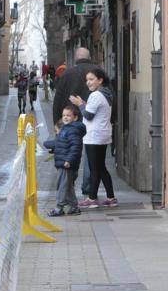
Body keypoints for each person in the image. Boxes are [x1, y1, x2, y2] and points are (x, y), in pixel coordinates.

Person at [53, 48, 100, 196]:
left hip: (71, 120)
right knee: (89, 155)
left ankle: (69, 183)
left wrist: (57, 122)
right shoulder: (97, 73)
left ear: (75, 58)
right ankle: (87, 187)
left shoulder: (67, 73)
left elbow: (58, 99)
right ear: (90, 57)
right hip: (92, 120)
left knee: (70, 152)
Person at [70, 67, 117, 209]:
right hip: (103, 134)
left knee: (94, 168)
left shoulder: (96, 95)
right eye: (87, 80)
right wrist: (84, 104)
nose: (88, 82)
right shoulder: (106, 93)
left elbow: (88, 115)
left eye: (91, 79)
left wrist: (80, 105)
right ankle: (111, 197)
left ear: (100, 80)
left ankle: (92, 198)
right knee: (101, 167)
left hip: (94, 136)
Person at [43, 104, 85, 217]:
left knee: (62, 185)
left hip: (67, 164)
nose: (65, 117)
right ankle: (73, 207)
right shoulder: (66, 129)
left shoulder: (73, 130)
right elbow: (61, 144)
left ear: (75, 117)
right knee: (68, 186)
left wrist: (68, 160)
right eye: (63, 115)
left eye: (68, 115)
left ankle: (59, 207)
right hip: (64, 163)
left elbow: (75, 147)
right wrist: (51, 148)